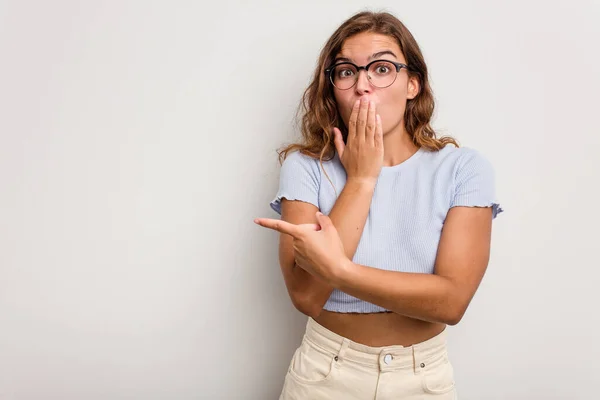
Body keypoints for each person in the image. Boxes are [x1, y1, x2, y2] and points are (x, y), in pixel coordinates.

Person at [254, 10, 503, 400]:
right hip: (324, 376)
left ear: (412, 84)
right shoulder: (305, 168)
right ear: (332, 86)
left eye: (382, 68)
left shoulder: (463, 169)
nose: (362, 85)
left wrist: (339, 270)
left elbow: (452, 301)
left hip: (423, 379)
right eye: (347, 71)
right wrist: (362, 179)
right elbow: (307, 296)